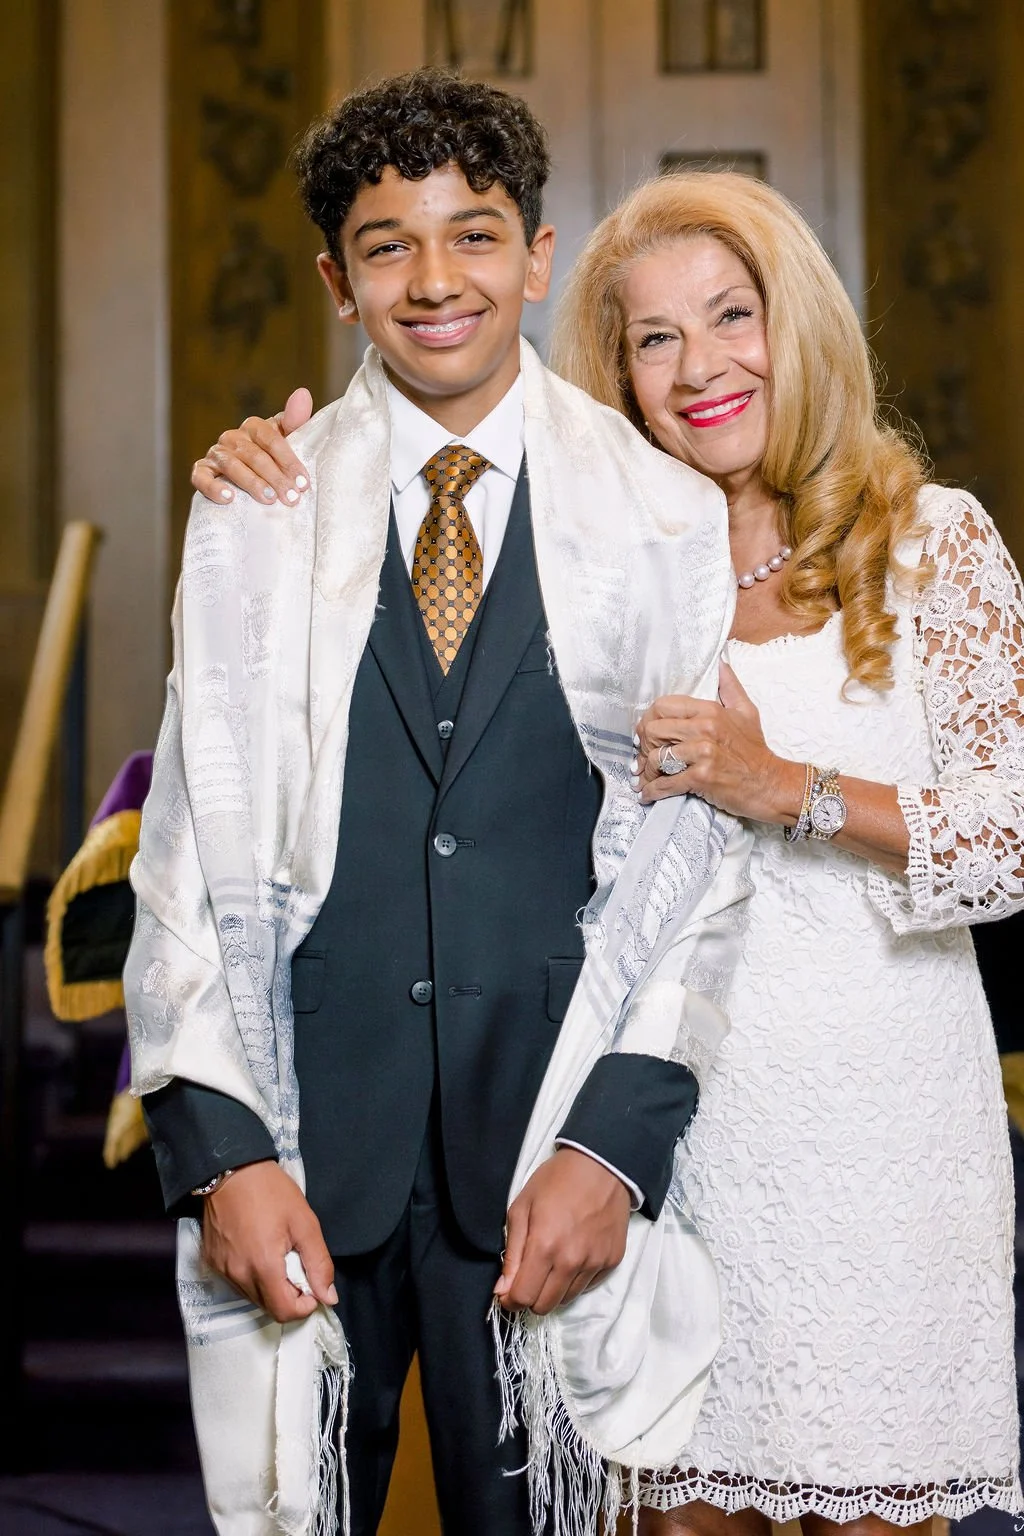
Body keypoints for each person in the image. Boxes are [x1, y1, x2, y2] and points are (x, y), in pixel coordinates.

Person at [205, 169, 1023, 1534]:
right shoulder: (607, 563)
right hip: (652, 1135)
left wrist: (787, 784)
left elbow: (1010, 845)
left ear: (798, 325)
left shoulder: (932, 544)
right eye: (654, 339)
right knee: (660, 1505)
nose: (700, 367)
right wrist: (278, 479)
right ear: (619, 374)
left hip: (880, 1130)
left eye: (731, 316)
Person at [127, 72, 750, 1536]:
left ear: (538, 257)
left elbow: (698, 867)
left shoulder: (663, 516)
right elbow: (187, 854)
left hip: (548, 1152)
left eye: (473, 235)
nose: (434, 279)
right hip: (308, 1144)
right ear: (338, 284)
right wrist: (221, 1156)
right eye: (386, 244)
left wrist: (613, 1149)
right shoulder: (260, 508)